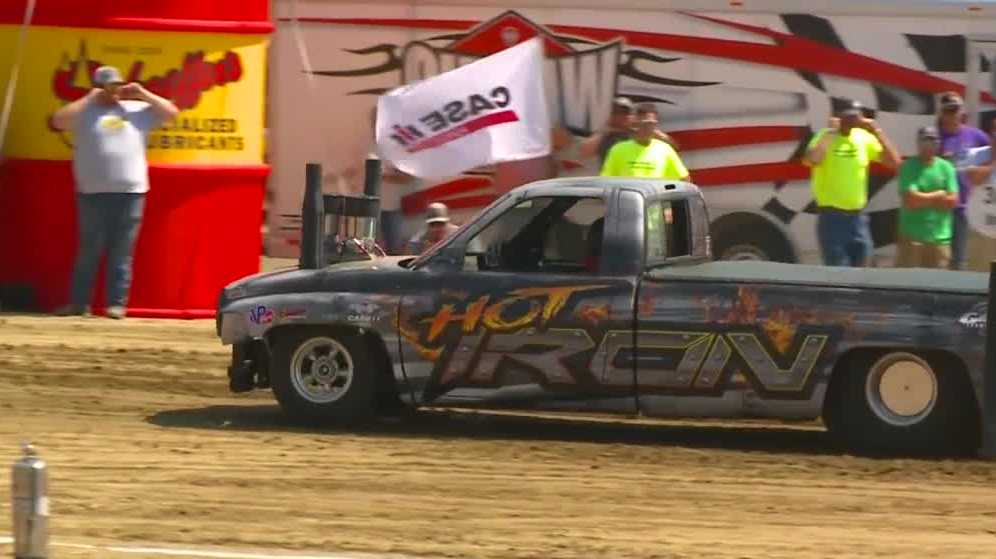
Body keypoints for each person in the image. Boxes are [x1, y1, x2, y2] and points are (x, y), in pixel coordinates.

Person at [50, 65, 179, 318]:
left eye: (117, 85)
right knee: (89, 250)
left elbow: (172, 114)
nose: (113, 91)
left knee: (122, 250)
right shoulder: (84, 111)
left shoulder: (136, 110)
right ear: (97, 86)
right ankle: (79, 304)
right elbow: (58, 120)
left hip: (131, 192)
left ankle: (116, 304)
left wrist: (143, 93)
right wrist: (89, 97)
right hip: (92, 192)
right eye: (108, 86)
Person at [803, 99, 901, 267]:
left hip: (858, 219)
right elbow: (811, 159)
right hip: (832, 219)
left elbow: (894, 163)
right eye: (847, 117)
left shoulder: (863, 138)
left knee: (863, 275)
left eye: (855, 117)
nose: (851, 121)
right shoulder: (825, 136)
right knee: (839, 277)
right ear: (838, 117)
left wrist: (876, 130)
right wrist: (831, 133)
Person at [937, 91, 991, 270]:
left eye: (955, 110)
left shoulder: (976, 136)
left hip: (966, 208)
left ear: (962, 112)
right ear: (941, 113)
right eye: (948, 111)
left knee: (961, 259)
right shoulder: (933, 138)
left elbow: (991, 155)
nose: (952, 115)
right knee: (941, 258)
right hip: (941, 207)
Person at [895, 126, 959, 269]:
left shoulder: (947, 168)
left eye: (934, 140)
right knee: (906, 287)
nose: (930, 143)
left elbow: (952, 201)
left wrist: (923, 197)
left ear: (939, 143)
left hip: (939, 242)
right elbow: (911, 201)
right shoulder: (908, 166)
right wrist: (938, 195)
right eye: (926, 140)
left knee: (937, 288)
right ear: (918, 142)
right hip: (912, 241)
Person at [600, 104, 689, 180]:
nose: (648, 128)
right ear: (636, 124)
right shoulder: (618, 150)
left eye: (652, 124)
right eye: (645, 124)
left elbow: (684, 179)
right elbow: (606, 180)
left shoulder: (665, 150)